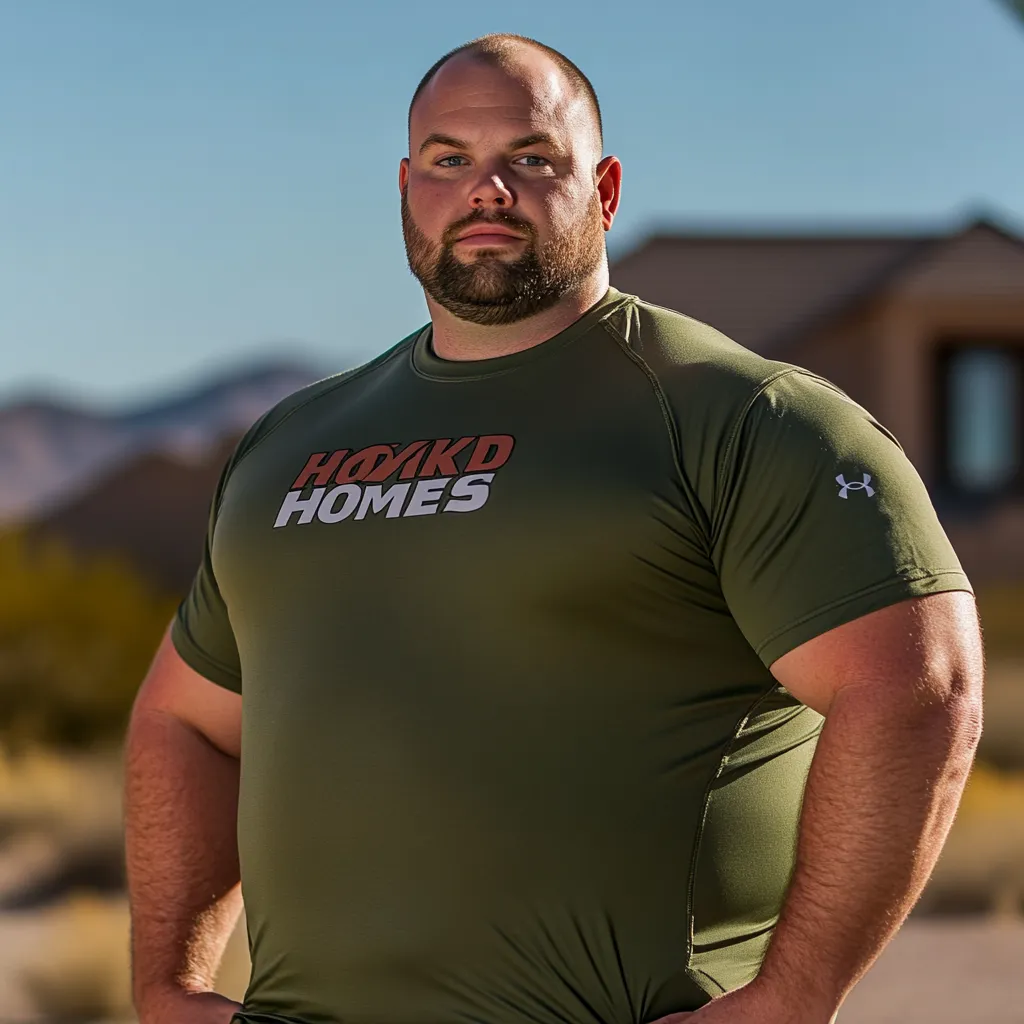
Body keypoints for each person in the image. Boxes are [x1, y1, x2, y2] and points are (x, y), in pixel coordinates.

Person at [124, 34, 983, 1024]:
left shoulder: (741, 416)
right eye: (449, 159)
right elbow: (185, 720)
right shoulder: (289, 445)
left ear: (604, 190)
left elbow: (920, 686)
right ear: (407, 189)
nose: (486, 189)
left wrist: (791, 997)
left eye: (531, 158)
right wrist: (165, 988)